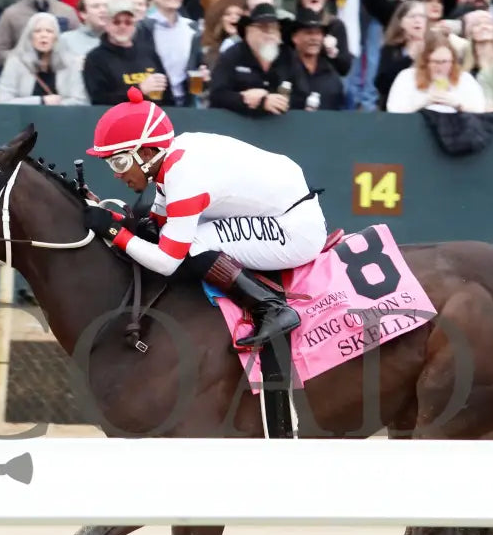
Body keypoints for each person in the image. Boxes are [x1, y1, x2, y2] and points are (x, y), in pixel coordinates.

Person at [82, 86, 329, 348]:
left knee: (192, 246)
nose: (116, 174)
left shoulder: (184, 177)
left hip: (294, 230)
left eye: (119, 163)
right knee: (167, 234)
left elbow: (167, 262)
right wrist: (106, 216)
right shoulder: (173, 155)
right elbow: (154, 227)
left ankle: (270, 308)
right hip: (283, 212)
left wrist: (112, 231)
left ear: (145, 154)